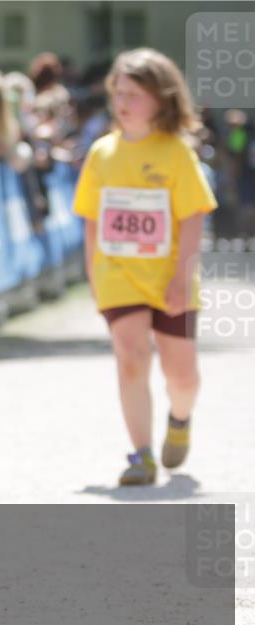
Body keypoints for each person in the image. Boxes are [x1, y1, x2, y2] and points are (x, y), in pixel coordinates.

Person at [72, 48, 217, 486]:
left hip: (169, 276)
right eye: (119, 91)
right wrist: (94, 276)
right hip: (119, 276)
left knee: (182, 374)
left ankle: (180, 418)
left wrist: (181, 277)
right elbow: (92, 223)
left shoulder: (175, 152)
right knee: (131, 358)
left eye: (134, 93)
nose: (123, 101)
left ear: (161, 98)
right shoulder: (101, 153)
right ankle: (141, 455)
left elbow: (193, 216)